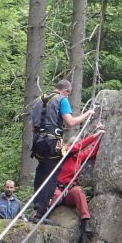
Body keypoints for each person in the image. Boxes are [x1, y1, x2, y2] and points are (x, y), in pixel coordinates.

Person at [31, 79, 94, 221]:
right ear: (66, 91)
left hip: (37, 142)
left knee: (41, 169)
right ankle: (41, 213)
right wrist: (87, 114)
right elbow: (70, 122)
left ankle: (36, 201)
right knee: (52, 177)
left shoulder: (37, 101)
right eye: (68, 94)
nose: (67, 96)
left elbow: (33, 123)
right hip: (52, 142)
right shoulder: (62, 100)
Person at [49, 128, 105, 236]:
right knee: (57, 195)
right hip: (58, 188)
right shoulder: (64, 153)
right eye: (76, 147)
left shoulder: (79, 157)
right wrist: (94, 136)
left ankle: (85, 221)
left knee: (78, 191)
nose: (78, 151)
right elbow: (78, 147)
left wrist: (98, 139)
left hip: (69, 191)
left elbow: (91, 152)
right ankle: (44, 214)